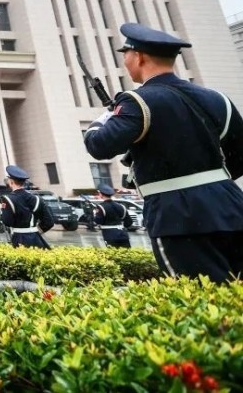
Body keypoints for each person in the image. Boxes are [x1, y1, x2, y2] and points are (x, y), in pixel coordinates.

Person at [84, 22, 243, 282]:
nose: (125, 60)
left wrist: (100, 120)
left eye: (126, 54)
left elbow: (100, 146)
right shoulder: (216, 98)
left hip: (177, 216)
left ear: (139, 57)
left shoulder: (137, 100)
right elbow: (239, 157)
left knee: (197, 297)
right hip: (232, 207)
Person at [0, 165, 54, 249]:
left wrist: (3, 210)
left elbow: (7, 222)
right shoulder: (37, 198)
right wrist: (35, 231)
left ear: (11, 182)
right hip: (37, 238)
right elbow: (49, 222)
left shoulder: (8, 199)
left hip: (19, 239)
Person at [92, 184, 133, 248]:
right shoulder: (121, 206)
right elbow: (129, 222)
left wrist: (95, 214)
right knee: (127, 254)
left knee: (114, 255)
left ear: (101, 194)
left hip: (109, 235)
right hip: (123, 234)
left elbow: (98, 221)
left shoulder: (101, 207)